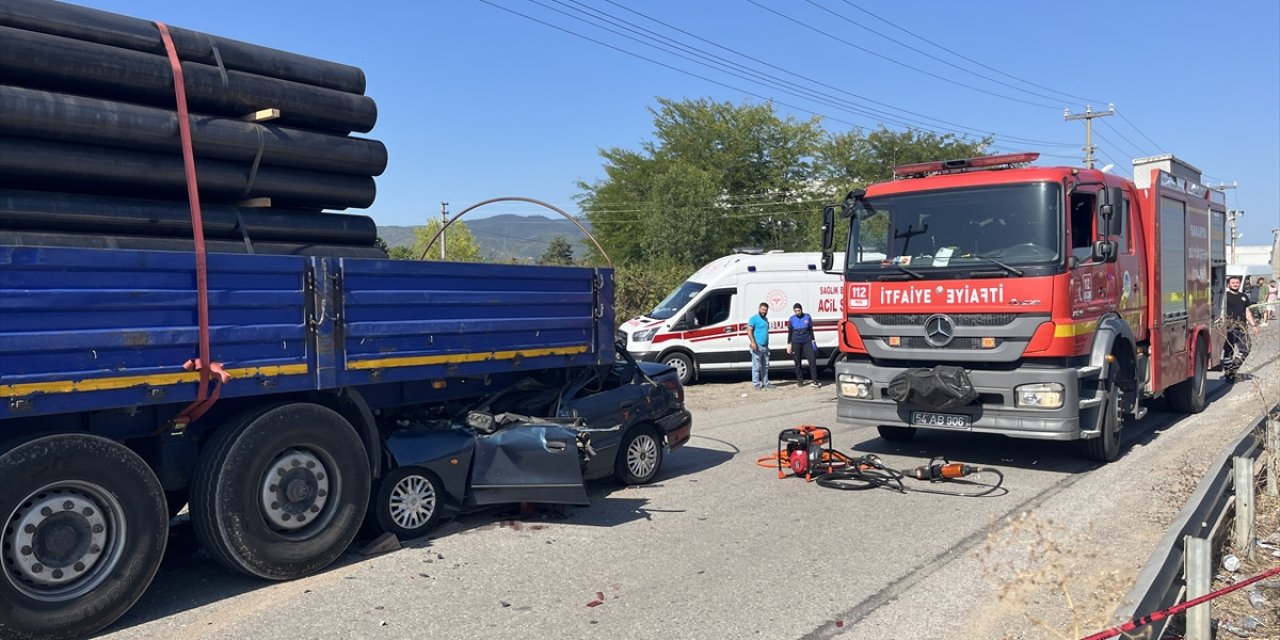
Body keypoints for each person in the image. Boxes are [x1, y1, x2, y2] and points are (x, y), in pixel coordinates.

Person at [1222, 274, 1259, 383]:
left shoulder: (1243, 296)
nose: (1235, 284)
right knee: (1228, 351)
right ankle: (1228, 374)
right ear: (1228, 284)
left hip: (1242, 327)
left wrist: (1253, 325)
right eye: (1233, 283)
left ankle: (1232, 369)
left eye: (1237, 282)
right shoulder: (1225, 296)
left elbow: (1247, 312)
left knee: (1246, 349)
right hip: (1229, 327)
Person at [786, 303, 820, 387]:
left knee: (812, 360)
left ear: (801, 310)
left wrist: (813, 341)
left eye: (799, 310)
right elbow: (790, 333)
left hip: (807, 341)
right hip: (796, 342)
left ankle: (815, 380)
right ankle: (800, 381)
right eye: (796, 311)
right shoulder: (792, 319)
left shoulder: (807, 317)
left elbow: (810, 330)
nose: (797, 312)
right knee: (797, 362)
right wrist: (789, 344)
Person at [747, 302, 775, 390]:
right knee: (756, 366)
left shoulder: (766, 319)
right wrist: (753, 342)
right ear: (759, 309)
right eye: (762, 309)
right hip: (757, 346)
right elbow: (749, 331)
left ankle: (765, 382)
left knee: (765, 366)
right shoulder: (753, 319)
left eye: (766, 310)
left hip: (765, 347)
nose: (764, 311)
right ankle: (756, 384)